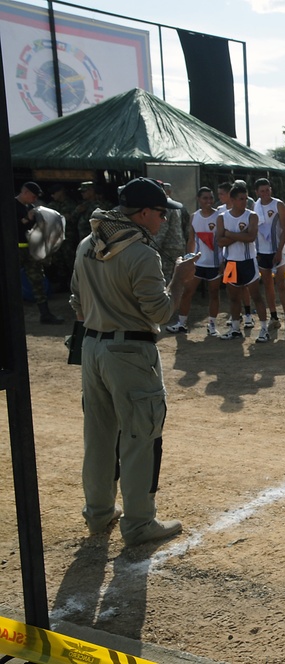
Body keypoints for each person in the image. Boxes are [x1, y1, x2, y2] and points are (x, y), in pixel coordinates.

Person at [69, 177, 192, 545]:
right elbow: (161, 312)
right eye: (159, 213)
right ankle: (139, 523)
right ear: (142, 213)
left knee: (99, 435)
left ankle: (99, 513)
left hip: (91, 347)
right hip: (130, 352)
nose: (164, 220)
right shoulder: (141, 253)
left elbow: (76, 303)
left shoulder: (88, 244)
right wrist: (181, 280)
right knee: (141, 435)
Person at [165, 187, 224, 336]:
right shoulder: (194, 216)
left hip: (215, 263)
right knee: (187, 292)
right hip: (198, 263)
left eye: (211, 198)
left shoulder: (219, 216)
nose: (209, 201)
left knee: (214, 293)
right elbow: (191, 239)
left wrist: (223, 261)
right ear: (199, 199)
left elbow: (223, 240)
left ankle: (212, 325)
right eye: (205, 198)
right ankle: (181, 323)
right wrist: (188, 258)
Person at [216, 182, 269, 342]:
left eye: (246, 198)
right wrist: (241, 235)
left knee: (256, 296)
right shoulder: (222, 217)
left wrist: (229, 234)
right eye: (241, 199)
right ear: (232, 199)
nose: (244, 202)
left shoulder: (251, 215)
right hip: (231, 262)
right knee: (233, 298)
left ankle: (264, 329)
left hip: (248, 262)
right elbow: (220, 242)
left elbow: (251, 237)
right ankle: (235, 328)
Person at [15, 181, 64, 324]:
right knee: (10, 282)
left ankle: (45, 314)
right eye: (33, 196)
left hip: (30, 250)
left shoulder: (31, 207)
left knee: (38, 281)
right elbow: (11, 225)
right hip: (14, 250)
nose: (35, 199)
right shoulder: (10, 205)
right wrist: (26, 219)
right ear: (25, 192)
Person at [253, 178, 285, 331]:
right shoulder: (255, 206)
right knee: (268, 285)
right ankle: (274, 316)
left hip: (277, 250)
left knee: (281, 284)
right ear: (257, 192)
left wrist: (279, 250)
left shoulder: (278, 204)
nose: (265, 193)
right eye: (262, 191)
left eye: (267, 190)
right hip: (262, 251)